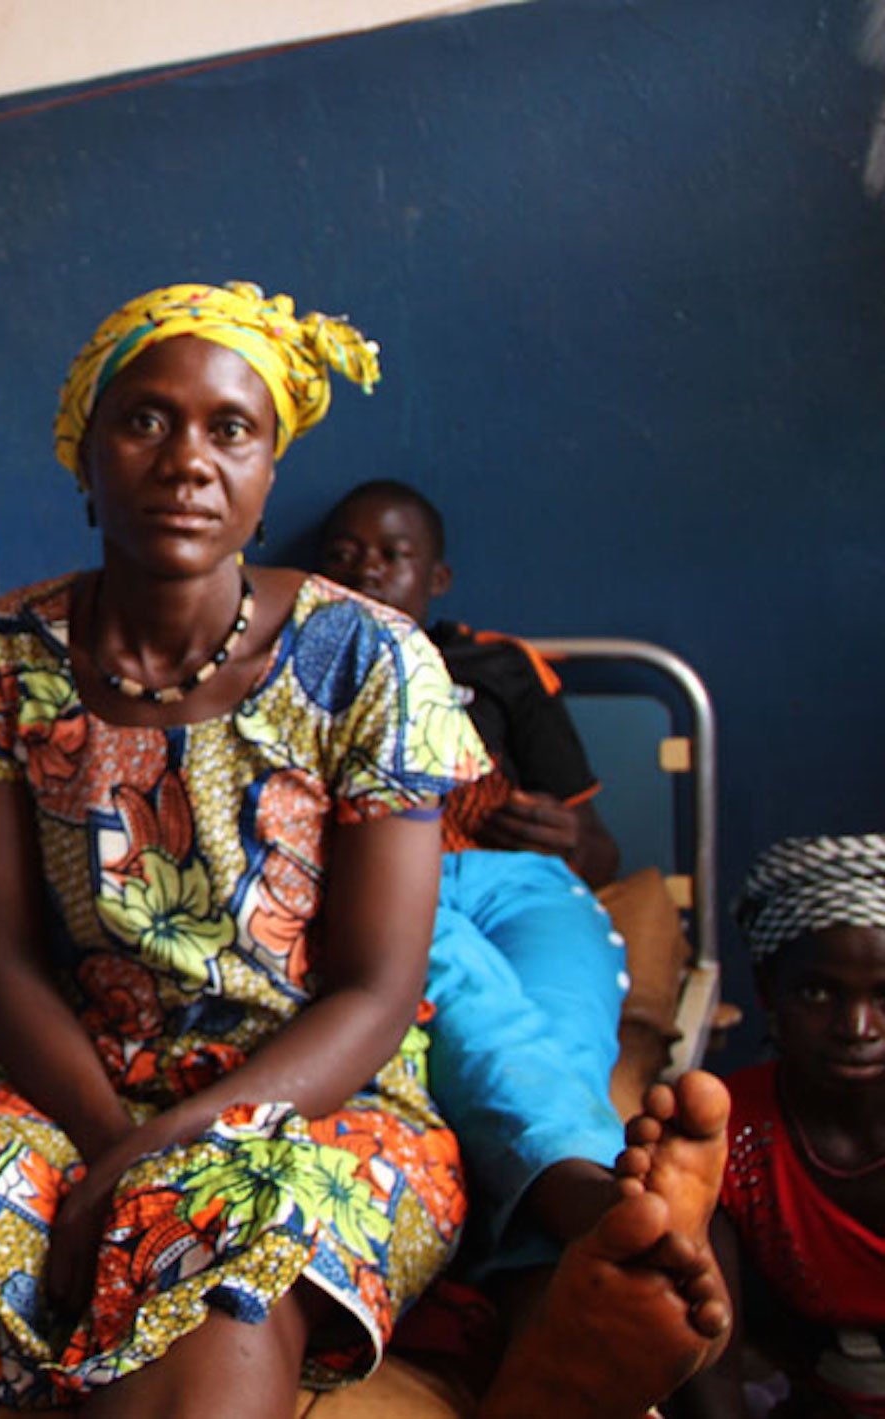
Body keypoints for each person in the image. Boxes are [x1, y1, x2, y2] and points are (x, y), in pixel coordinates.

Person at [0, 281, 491, 1417]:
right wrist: (109, 1146)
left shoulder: (369, 663)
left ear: (266, 477)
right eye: (144, 420)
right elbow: (6, 961)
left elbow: (374, 990)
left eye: (230, 430)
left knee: (217, 1311)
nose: (185, 461)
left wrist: (157, 1159)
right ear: (84, 456)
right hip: (69, 1088)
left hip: (310, 1101)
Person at [316, 480, 637, 1288]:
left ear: (438, 578)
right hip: (384, 881)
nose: (369, 572)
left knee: (565, 1031)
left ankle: (570, 1222)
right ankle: (580, 1248)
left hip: (523, 882)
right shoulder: (294, 665)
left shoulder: (502, 666)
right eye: (346, 556)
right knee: (462, 987)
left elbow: (600, 850)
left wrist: (572, 838)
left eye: (393, 555)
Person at [675, 835, 885, 1418]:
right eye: (818, 993)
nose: (857, 1027)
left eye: (884, 996)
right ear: (769, 992)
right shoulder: (729, 1133)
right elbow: (712, 1351)